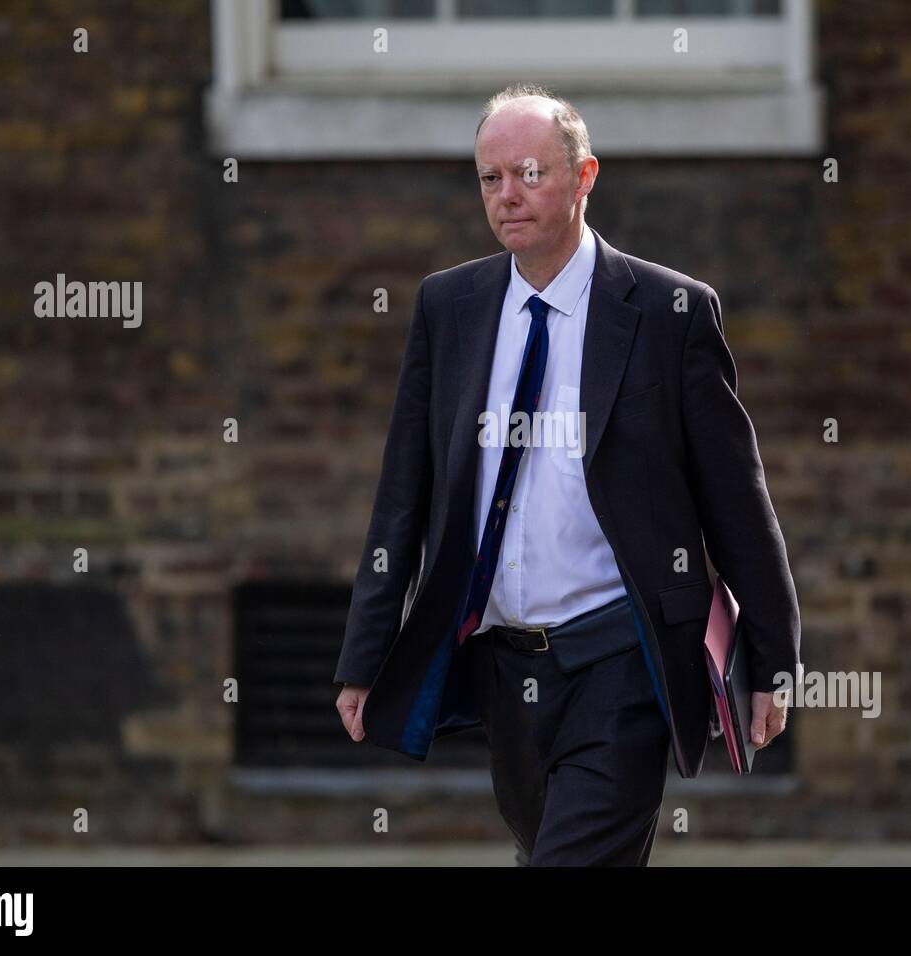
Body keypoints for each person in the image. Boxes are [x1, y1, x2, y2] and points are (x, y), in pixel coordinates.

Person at [335, 83, 800, 866]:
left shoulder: (669, 312)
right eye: (490, 179)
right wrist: (364, 656)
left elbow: (736, 499)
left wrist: (775, 658)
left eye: (528, 173)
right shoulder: (449, 307)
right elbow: (401, 498)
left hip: (622, 662)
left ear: (584, 177)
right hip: (504, 670)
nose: (506, 196)